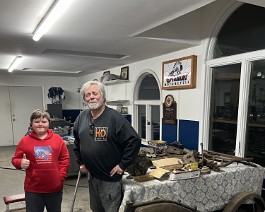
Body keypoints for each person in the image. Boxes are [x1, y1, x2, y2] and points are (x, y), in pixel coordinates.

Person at [73, 80, 141, 212]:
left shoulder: (114, 117)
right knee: (96, 209)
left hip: (109, 179)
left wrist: (122, 165)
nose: (91, 97)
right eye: (87, 95)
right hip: (92, 176)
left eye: (95, 93)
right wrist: (81, 162)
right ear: (84, 99)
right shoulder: (82, 117)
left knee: (111, 209)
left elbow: (134, 140)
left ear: (103, 96)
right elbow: (77, 141)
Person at [12, 109, 70, 212]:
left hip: (54, 187)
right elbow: (15, 159)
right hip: (33, 189)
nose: (40, 124)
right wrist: (20, 163)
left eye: (44, 121)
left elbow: (64, 159)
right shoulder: (24, 141)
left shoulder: (58, 140)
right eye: (37, 121)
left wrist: (60, 176)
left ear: (49, 123)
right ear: (31, 124)